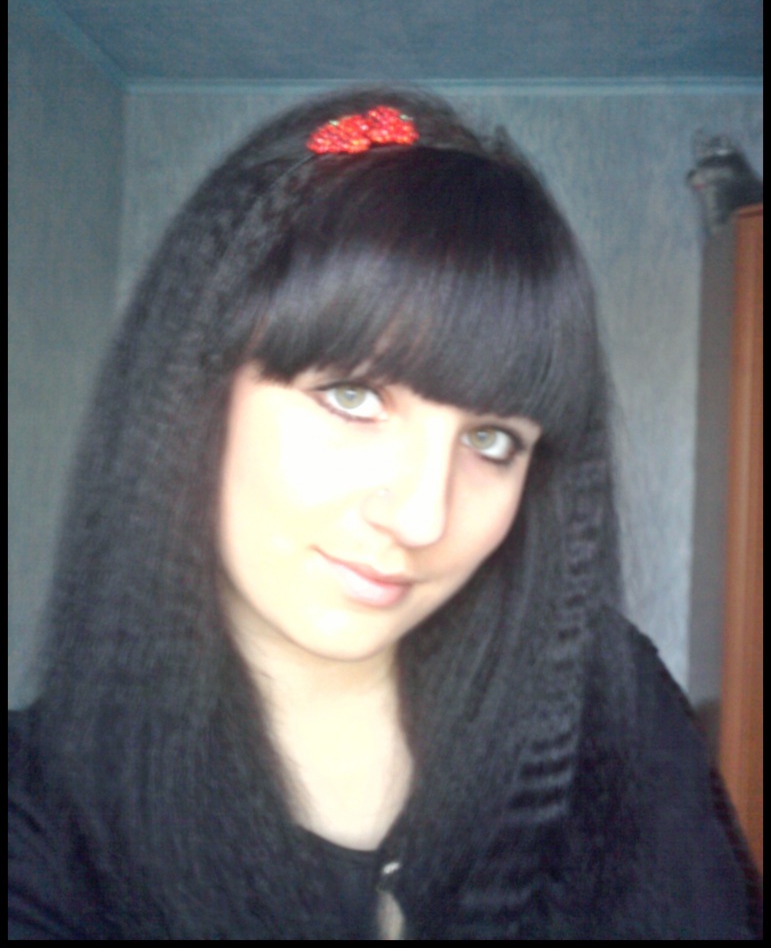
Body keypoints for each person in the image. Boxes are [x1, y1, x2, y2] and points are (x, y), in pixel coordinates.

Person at [8, 88, 762, 940]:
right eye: (352, 396)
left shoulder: (607, 703)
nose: (421, 517)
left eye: (490, 439)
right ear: (193, 391)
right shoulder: (38, 822)